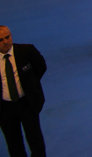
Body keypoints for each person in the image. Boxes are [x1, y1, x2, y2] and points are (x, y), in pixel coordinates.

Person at [0, 25, 47, 157]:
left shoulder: (27, 51)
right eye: (1, 40)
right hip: (4, 108)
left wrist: (31, 85)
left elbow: (41, 67)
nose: (5, 42)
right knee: (13, 143)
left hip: (27, 104)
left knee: (35, 140)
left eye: (7, 37)